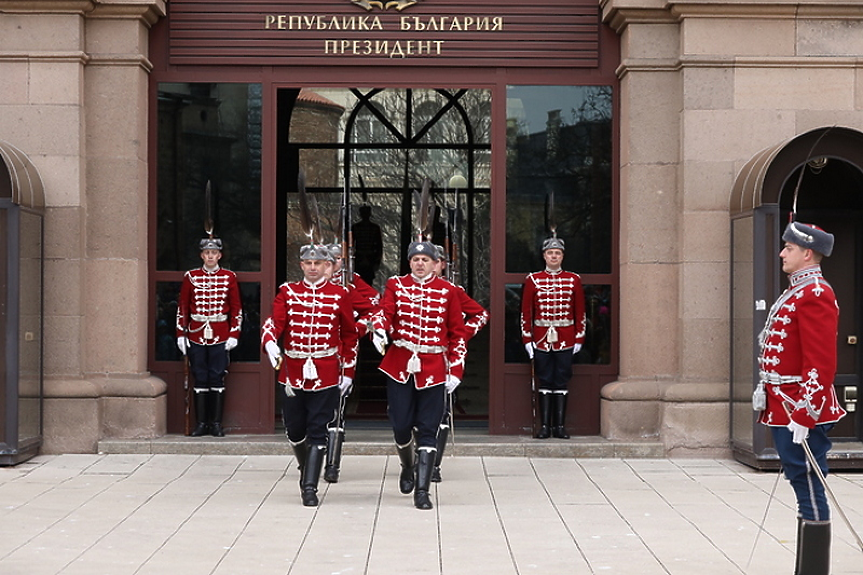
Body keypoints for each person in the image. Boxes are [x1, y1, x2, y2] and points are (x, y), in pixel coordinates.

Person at [755, 220, 845, 573]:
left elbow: (820, 364)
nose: (781, 253)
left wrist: (805, 415)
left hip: (799, 408)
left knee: (808, 482)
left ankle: (813, 569)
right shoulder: (796, 290)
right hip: (783, 405)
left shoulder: (816, 293)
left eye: (788, 248)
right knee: (800, 481)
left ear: (807, 253)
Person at [370, 240, 467, 509]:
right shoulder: (396, 285)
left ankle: (422, 492)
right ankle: (407, 465)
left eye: (425, 259)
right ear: (409, 262)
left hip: (435, 366)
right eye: (415, 259)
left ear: (434, 263)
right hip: (400, 363)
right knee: (401, 424)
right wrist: (378, 328)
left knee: (428, 428)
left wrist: (456, 370)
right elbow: (385, 312)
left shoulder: (448, 291)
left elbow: (458, 333)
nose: (420, 263)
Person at [261, 243, 358, 507]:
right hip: (293, 371)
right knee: (294, 430)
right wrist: (269, 341)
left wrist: (347, 371)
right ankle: (307, 468)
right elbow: (275, 322)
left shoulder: (339, 294)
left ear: (326, 265)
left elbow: (350, 335)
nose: (313, 268)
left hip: (326, 371)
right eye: (308, 263)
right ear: (301, 265)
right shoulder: (288, 292)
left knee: (319, 429)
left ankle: (309, 486)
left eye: (318, 263)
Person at [322, 243, 382, 484]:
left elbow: (374, 306)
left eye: (337, 260)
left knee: (337, 409)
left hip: (342, 351)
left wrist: (358, 327)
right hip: (311, 354)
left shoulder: (350, 283)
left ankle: (332, 464)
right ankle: (311, 454)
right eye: (330, 259)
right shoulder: (307, 285)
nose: (334, 264)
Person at [430, 244, 488, 482]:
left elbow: (481, 314)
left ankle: (433, 464)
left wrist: (462, 334)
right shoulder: (405, 288)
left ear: (442, 264)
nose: (431, 265)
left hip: (443, 357)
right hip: (414, 360)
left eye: (436, 261)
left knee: (441, 413)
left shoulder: (453, 290)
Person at [520, 236, 586, 439]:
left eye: (557, 253)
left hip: (565, 338)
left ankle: (559, 426)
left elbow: (580, 312)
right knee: (545, 380)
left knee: (562, 381)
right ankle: (545, 427)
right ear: (544, 256)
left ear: (562, 256)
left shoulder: (573, 279)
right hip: (541, 338)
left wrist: (579, 339)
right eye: (550, 253)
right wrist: (527, 339)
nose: (554, 256)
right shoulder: (533, 280)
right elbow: (526, 312)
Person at [176, 237, 243, 437]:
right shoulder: (191, 276)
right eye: (207, 253)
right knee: (200, 377)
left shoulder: (229, 277)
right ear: (202, 255)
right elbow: (183, 307)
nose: (210, 256)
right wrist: (181, 333)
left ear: (219, 255)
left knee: (217, 377)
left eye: (214, 253)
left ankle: (215, 423)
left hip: (220, 333)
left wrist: (234, 333)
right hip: (196, 333)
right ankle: (201, 423)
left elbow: (236, 308)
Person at [351, 205, 383, 287]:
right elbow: (350, 245)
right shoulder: (356, 228)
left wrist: (376, 261)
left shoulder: (374, 228)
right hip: (360, 258)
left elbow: (379, 246)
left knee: (367, 282)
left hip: (369, 258)